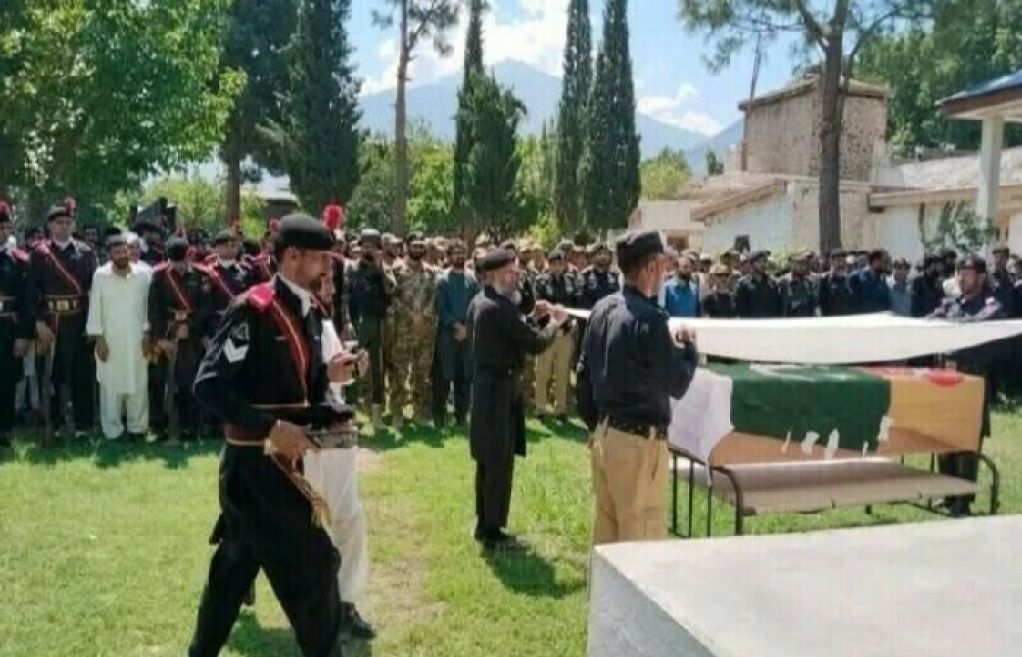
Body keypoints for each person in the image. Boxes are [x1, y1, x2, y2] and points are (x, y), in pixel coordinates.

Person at [187, 214, 356, 657]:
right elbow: (208, 386)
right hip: (255, 467)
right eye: (320, 258)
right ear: (293, 256)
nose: (328, 267)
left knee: (234, 569)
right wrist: (272, 428)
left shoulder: (311, 310)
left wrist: (330, 383)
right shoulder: (253, 310)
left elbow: (303, 386)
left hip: (284, 464)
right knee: (316, 567)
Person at [577, 230, 698, 546]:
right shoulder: (650, 319)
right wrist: (689, 351)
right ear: (650, 267)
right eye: (662, 264)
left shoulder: (602, 308)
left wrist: (597, 425)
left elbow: (583, 374)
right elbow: (677, 383)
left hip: (606, 436)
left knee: (607, 536)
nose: (665, 271)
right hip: (638, 444)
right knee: (640, 541)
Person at [467, 249, 567, 551]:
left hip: (489, 388)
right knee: (498, 461)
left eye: (516, 273)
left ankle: (485, 523)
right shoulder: (497, 308)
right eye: (509, 273)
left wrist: (533, 317)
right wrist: (555, 322)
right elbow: (535, 343)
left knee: (488, 459)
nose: (515, 279)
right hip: (498, 390)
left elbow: (513, 330)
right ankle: (493, 532)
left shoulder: (482, 301)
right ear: (492, 276)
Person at [302, 265, 376, 641]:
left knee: (350, 518)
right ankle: (322, 608)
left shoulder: (325, 320)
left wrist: (353, 367)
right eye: (326, 282)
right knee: (316, 523)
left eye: (332, 281)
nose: (332, 288)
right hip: (308, 437)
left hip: (338, 435)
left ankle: (346, 603)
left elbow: (335, 379)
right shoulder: (291, 319)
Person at [928, 254, 1004, 517]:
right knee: (944, 439)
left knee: (966, 442)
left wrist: (949, 327)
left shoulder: (991, 307)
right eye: (959, 272)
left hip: (970, 383)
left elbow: (977, 328)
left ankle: (963, 499)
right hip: (944, 380)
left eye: (967, 273)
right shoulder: (950, 304)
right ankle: (947, 493)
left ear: (981, 277)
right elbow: (929, 321)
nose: (961, 278)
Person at [26, 202, 98, 442]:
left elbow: (93, 291)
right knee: (53, 375)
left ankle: (83, 426)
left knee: (82, 374)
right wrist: (39, 322)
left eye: (68, 222)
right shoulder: (39, 253)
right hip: (51, 322)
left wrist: (93, 325)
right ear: (50, 226)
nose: (64, 227)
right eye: (59, 223)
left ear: (73, 225)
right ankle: (53, 424)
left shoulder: (86, 252)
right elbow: (31, 290)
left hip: (79, 320)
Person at [148, 237, 215, 442]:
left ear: (189, 256)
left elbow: (207, 307)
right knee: (158, 380)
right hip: (166, 332)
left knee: (188, 381)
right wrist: (160, 338)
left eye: (182, 261)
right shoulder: (159, 276)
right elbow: (154, 308)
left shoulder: (203, 276)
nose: (179, 266)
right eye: (174, 262)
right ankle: (158, 426)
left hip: (191, 334)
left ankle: (189, 426)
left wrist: (191, 326)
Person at [86, 234, 150, 441]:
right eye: (117, 252)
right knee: (110, 385)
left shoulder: (143, 275)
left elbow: (147, 308)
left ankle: (137, 428)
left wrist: (147, 334)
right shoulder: (100, 276)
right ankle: (113, 430)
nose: (122, 255)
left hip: (137, 338)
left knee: (138, 383)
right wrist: (98, 338)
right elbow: (95, 307)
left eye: (125, 251)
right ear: (109, 254)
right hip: (110, 339)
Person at [346, 229, 395, 430]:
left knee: (377, 370)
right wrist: (348, 322)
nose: (368, 250)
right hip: (358, 323)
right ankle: (350, 415)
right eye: (365, 246)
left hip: (378, 324)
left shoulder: (383, 269)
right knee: (354, 368)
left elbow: (392, 290)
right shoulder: (351, 269)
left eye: (372, 246)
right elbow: (346, 297)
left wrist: (380, 267)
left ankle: (376, 415)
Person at [389, 233, 437, 428]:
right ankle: (397, 411)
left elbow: (434, 297)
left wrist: (424, 314)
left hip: (425, 329)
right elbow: (392, 297)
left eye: (420, 246)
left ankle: (418, 411)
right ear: (407, 247)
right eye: (414, 245)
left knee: (421, 371)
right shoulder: (397, 270)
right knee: (399, 370)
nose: (418, 249)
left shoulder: (431, 272)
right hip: (403, 329)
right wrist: (411, 315)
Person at [433, 240, 478, 428]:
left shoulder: (472, 280)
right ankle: (439, 416)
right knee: (444, 376)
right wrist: (456, 325)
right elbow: (440, 308)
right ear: (449, 255)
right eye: (455, 253)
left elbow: (476, 305)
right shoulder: (442, 279)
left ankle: (461, 416)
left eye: (462, 252)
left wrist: (467, 328)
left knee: (464, 376)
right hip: (447, 334)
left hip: (467, 334)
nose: (459, 256)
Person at [0, 205, 32, 447]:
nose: (2, 232)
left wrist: (23, 336)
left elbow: (27, 302)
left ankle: (4, 430)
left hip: (8, 327)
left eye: (5, 227)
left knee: (6, 379)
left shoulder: (19, 261)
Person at [534, 249, 578, 420]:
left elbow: (575, 303)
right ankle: (540, 408)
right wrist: (554, 314)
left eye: (560, 263)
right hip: (547, 332)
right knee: (543, 372)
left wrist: (570, 320)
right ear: (549, 264)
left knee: (562, 372)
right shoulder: (541, 281)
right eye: (554, 263)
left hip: (565, 332)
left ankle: (560, 409)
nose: (557, 267)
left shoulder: (570, 281)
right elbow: (539, 304)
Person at [207, 229, 252, 315]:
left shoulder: (246, 270)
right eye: (226, 246)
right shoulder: (208, 271)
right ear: (217, 248)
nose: (230, 249)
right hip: (215, 320)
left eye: (233, 246)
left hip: (240, 318)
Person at [734, 251, 781, 318]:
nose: (763, 264)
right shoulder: (743, 284)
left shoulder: (772, 282)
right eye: (759, 261)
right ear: (751, 264)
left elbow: (778, 306)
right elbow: (740, 309)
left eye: (764, 261)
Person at [849, 249, 891, 313]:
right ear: (876, 261)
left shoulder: (883, 280)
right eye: (884, 261)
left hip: (881, 317)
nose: (886, 265)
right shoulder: (856, 277)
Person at [779, 252, 819, 317]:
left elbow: (814, 303)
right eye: (798, 264)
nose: (801, 267)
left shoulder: (809, 281)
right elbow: (782, 305)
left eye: (803, 264)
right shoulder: (784, 281)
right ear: (792, 264)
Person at [660, 254, 701, 318]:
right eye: (685, 267)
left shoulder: (695, 288)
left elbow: (698, 311)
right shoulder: (666, 288)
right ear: (676, 269)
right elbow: (662, 311)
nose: (689, 270)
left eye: (690, 267)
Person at [911, 254, 945, 318]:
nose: (941, 268)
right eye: (939, 265)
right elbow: (915, 305)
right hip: (922, 319)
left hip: (936, 319)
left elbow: (942, 300)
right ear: (931, 265)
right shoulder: (918, 281)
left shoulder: (938, 282)